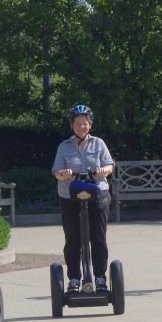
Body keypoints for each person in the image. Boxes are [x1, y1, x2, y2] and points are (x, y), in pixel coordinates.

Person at [52, 104, 115, 292]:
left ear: (90, 125)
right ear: (72, 125)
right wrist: (63, 174)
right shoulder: (64, 147)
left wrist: (104, 169)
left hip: (97, 194)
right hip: (70, 196)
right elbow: (56, 171)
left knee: (98, 237)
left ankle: (100, 277)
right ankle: (74, 279)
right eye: (78, 124)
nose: (82, 127)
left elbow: (110, 165)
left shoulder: (99, 144)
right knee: (72, 238)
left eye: (85, 124)